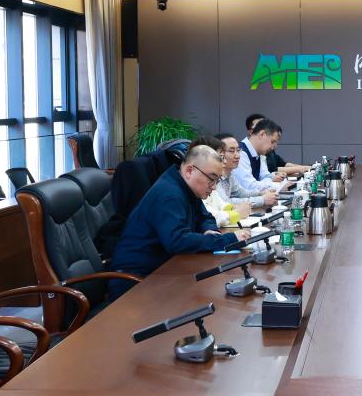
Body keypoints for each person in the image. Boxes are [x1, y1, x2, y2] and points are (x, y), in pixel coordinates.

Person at [109, 144, 249, 297]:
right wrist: (229, 239)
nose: (214, 187)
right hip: (134, 280)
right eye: (212, 179)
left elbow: (205, 216)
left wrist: (209, 230)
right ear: (189, 171)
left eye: (217, 180)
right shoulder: (169, 194)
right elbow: (177, 240)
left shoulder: (186, 186)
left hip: (164, 268)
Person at [213, 132, 278, 211]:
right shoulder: (214, 176)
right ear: (218, 154)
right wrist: (262, 200)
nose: (237, 156)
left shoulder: (229, 173)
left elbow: (239, 193)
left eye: (238, 150)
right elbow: (225, 202)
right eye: (231, 151)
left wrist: (261, 193)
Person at [234, 118, 284, 193]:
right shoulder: (240, 152)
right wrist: (279, 186)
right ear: (262, 134)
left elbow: (265, 176)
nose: (272, 147)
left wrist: (266, 181)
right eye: (272, 141)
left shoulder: (259, 153)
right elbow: (249, 186)